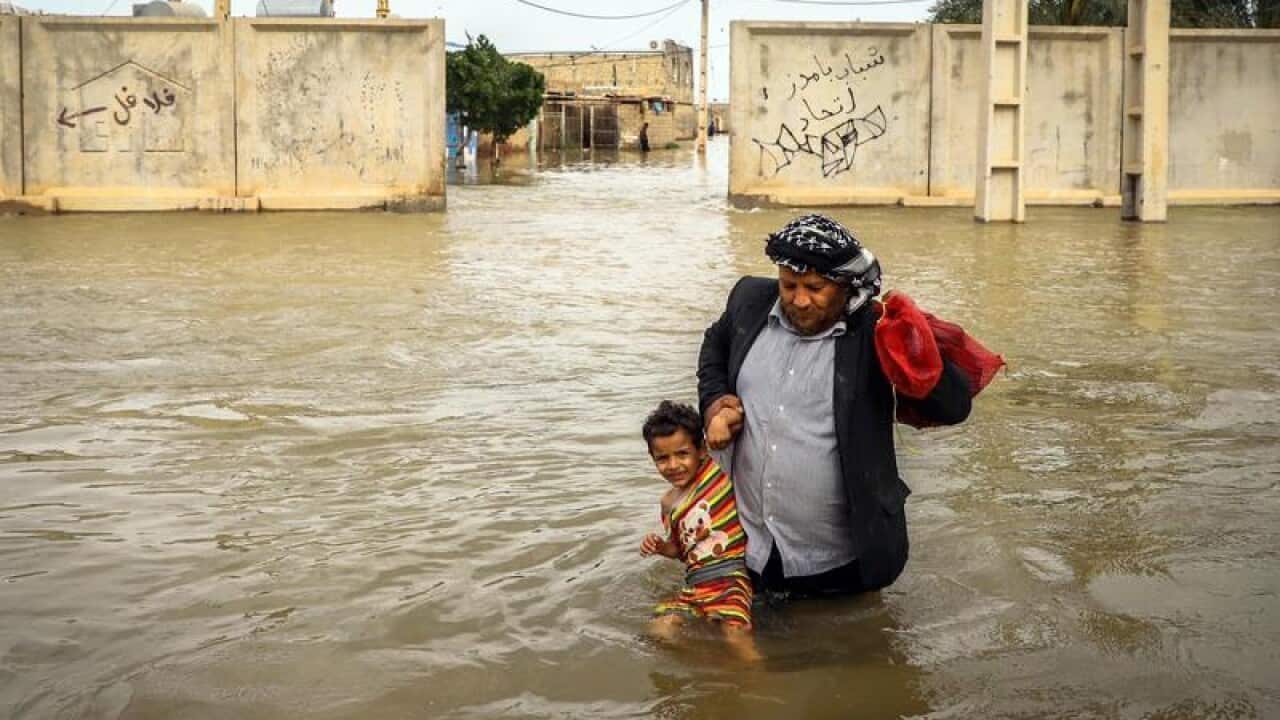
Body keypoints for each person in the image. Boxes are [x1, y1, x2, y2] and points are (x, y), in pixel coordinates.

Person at [698, 214, 972, 598]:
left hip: (840, 563)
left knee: (847, 646)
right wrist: (714, 403)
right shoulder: (749, 301)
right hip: (748, 550)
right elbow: (715, 344)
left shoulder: (875, 331)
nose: (799, 299)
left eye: (815, 287)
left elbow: (954, 407)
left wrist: (914, 346)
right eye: (788, 284)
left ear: (845, 286)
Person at [639, 400, 760, 661]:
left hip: (731, 578)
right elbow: (681, 551)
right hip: (695, 585)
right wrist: (661, 547)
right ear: (653, 459)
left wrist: (720, 418)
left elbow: (736, 417)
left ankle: (756, 680)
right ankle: (703, 662)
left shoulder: (716, 471)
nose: (673, 465)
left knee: (734, 633)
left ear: (701, 450)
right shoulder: (668, 503)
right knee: (659, 629)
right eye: (662, 458)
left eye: (682, 454)